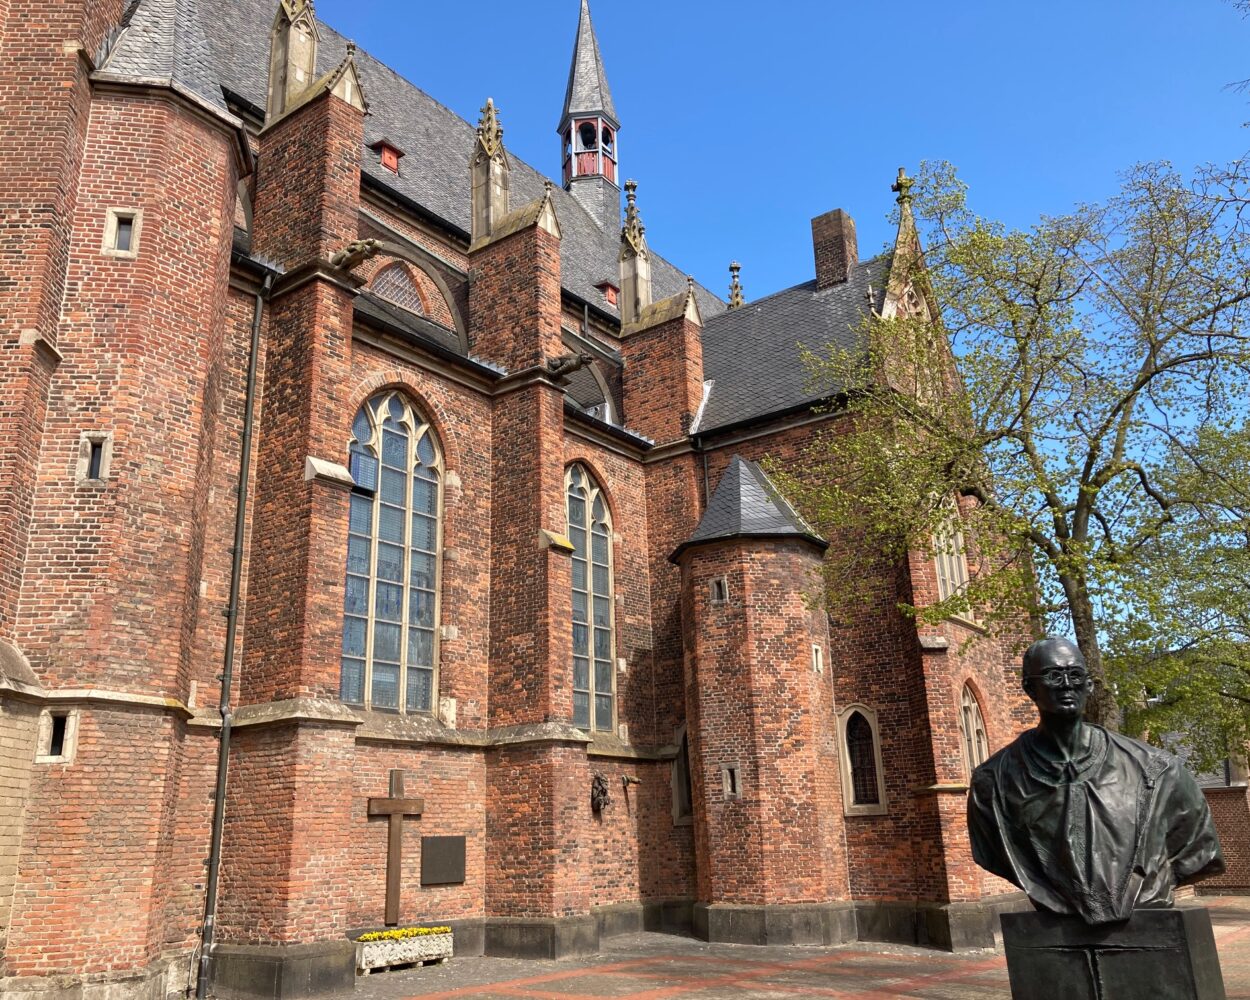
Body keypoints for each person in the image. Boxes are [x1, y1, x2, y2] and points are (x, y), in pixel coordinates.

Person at [968, 637, 1225, 925]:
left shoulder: (1158, 770)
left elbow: (1200, 853)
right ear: (1030, 688)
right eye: (1053, 675)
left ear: (1089, 685)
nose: (1067, 684)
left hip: (1150, 925)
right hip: (1057, 934)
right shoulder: (991, 784)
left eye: (1076, 674)